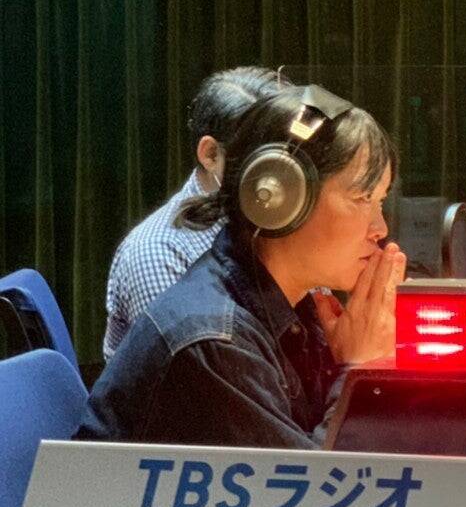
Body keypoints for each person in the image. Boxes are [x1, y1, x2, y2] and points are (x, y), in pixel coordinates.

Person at [78, 86, 405, 449]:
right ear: (280, 200)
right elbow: (312, 482)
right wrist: (359, 371)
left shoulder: (291, 306)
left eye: (380, 201)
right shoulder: (214, 342)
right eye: (362, 198)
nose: (380, 229)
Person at [102, 66, 292, 362]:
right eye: (262, 159)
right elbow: (209, 374)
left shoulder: (279, 222)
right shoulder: (157, 253)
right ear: (211, 154)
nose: (287, 176)